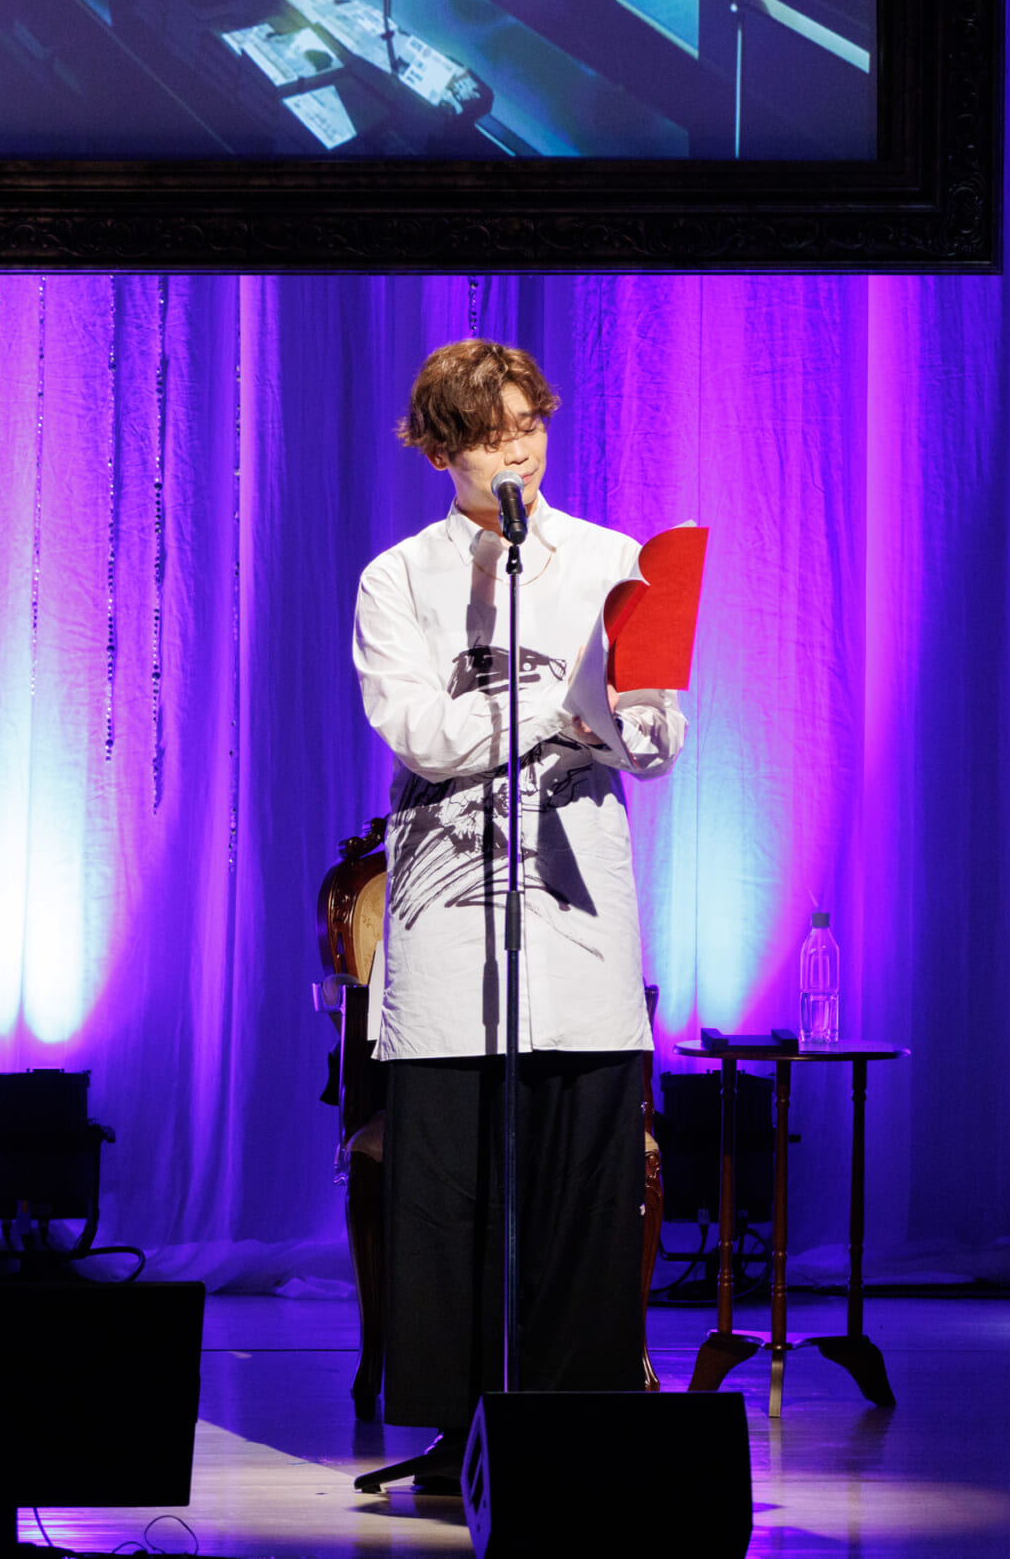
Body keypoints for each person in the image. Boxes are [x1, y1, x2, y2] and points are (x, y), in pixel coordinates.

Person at [350, 339, 685, 1485]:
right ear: (440, 451)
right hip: (451, 920)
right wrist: (555, 704)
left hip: (577, 909)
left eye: (528, 427)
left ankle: (572, 1428)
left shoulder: (610, 561)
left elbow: (655, 737)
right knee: (453, 1188)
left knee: (582, 1179)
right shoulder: (398, 580)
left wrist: (626, 725)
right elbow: (424, 734)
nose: (518, 453)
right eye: (491, 436)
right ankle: (461, 1432)